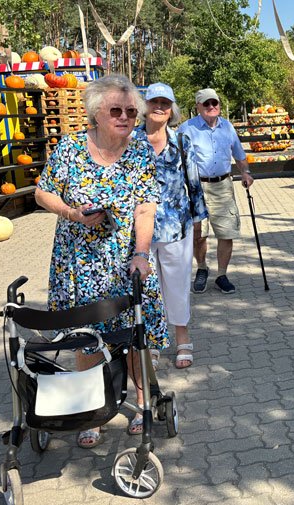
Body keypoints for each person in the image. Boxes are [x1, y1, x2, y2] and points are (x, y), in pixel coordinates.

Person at [34, 74, 167, 447]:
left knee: (135, 337)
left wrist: (141, 253)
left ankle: (141, 404)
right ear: (96, 113)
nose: (125, 117)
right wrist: (72, 213)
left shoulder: (141, 152)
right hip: (78, 261)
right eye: (116, 110)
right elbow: (42, 194)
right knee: (86, 339)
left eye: (130, 111)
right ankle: (91, 411)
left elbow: (145, 207)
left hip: (125, 258)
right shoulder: (71, 148)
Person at [133, 82, 208, 370]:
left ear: (172, 109)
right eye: (155, 102)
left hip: (177, 226)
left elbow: (193, 183)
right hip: (141, 229)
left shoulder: (181, 141)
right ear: (145, 106)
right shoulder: (131, 141)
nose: (160, 108)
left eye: (165, 103)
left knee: (177, 285)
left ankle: (182, 338)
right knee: (149, 287)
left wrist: (200, 220)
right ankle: (153, 341)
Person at [177, 88, 253, 294]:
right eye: (206, 104)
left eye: (215, 103)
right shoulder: (186, 129)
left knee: (226, 231)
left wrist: (245, 172)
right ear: (198, 107)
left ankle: (221, 275)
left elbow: (239, 154)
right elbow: (175, 159)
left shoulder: (227, 127)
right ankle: (201, 268)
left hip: (223, 185)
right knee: (198, 233)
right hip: (196, 187)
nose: (212, 107)